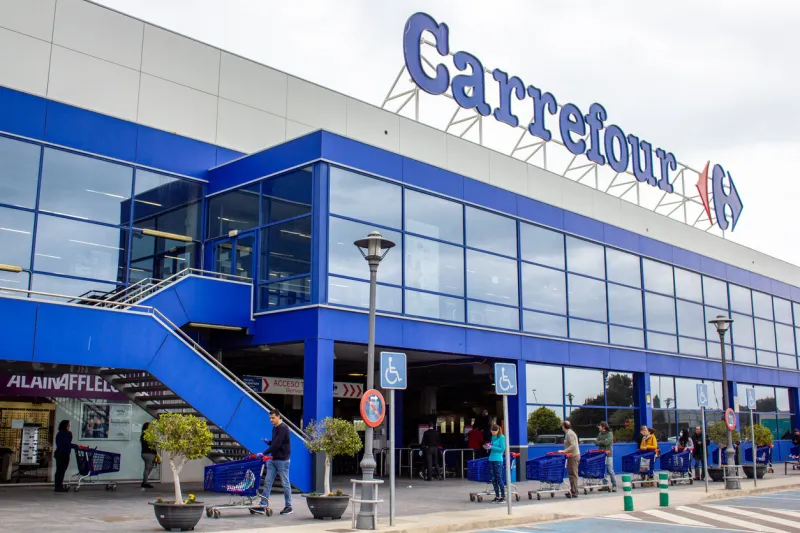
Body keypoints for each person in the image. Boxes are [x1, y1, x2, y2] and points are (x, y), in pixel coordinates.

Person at [258, 410, 293, 515]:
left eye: (273, 418)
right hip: (273, 459)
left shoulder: (283, 428)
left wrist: (264, 453)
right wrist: (269, 442)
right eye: (270, 418)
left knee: (285, 483)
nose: (271, 420)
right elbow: (275, 442)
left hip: (283, 460)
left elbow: (277, 444)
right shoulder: (275, 428)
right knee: (267, 482)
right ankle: (263, 504)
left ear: (278, 416)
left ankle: (289, 506)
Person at [486, 424, 506, 503]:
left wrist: (492, 447)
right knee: (493, 479)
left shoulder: (502, 437)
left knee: (499, 478)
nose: (493, 433)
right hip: (491, 458)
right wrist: (488, 446)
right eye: (492, 432)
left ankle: (503, 496)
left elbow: (502, 449)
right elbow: (492, 445)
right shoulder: (493, 437)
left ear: (498, 430)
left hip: (498, 460)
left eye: (494, 432)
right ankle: (497, 496)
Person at [596, 421, 616, 492]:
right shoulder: (600, 434)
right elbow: (596, 442)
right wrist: (602, 441)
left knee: (610, 470)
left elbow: (607, 442)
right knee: (603, 470)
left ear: (603, 427)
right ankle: (605, 485)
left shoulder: (610, 433)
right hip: (601, 455)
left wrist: (600, 442)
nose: (599, 427)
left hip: (608, 455)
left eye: (600, 426)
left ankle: (614, 485)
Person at [562, 421, 580, 498]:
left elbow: (573, 445)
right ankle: (573, 490)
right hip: (571, 456)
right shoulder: (569, 433)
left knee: (573, 474)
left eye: (562, 425)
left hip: (573, 456)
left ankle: (575, 492)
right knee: (571, 474)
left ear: (564, 426)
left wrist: (564, 451)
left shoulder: (569, 434)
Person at [53, 420, 72, 492]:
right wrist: (76, 446)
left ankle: (58, 485)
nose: (69, 426)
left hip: (63, 454)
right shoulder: (64, 434)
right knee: (61, 470)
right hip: (62, 454)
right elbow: (66, 444)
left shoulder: (61, 433)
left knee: (60, 470)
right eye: (68, 425)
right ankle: (58, 486)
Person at [140, 422, 157, 489]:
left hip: (146, 453)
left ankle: (145, 481)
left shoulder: (143, 435)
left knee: (149, 467)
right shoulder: (147, 435)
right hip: (148, 453)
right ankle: (145, 483)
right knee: (147, 468)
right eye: (150, 426)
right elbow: (151, 445)